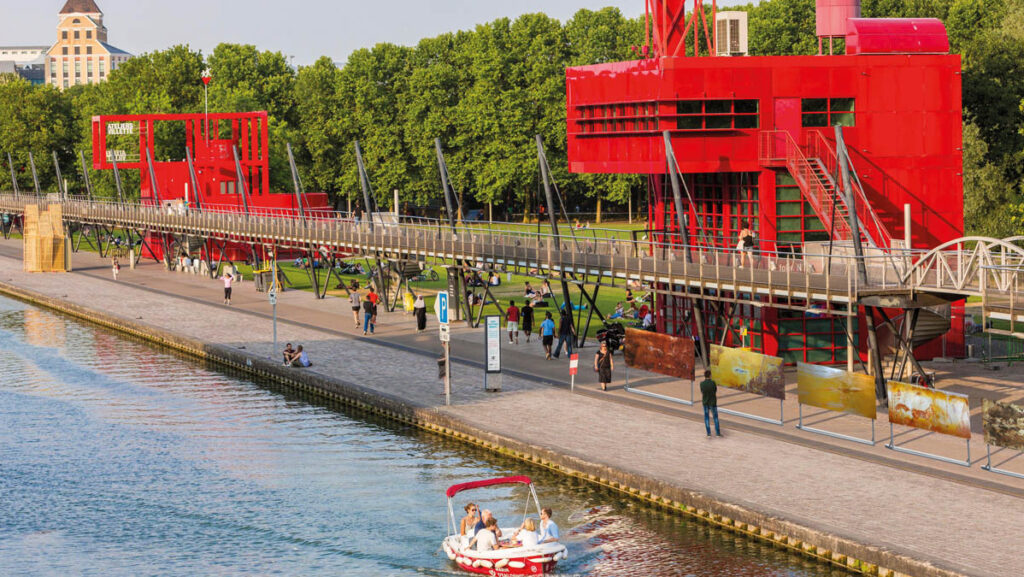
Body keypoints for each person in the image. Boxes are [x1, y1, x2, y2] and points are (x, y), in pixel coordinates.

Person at [700, 369, 722, 437]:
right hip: (712, 402)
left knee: (706, 417)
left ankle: (708, 433)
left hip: (705, 402)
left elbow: (702, 391)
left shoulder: (702, 384)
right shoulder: (713, 383)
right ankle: (718, 433)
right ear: (710, 375)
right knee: (715, 417)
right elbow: (715, 390)